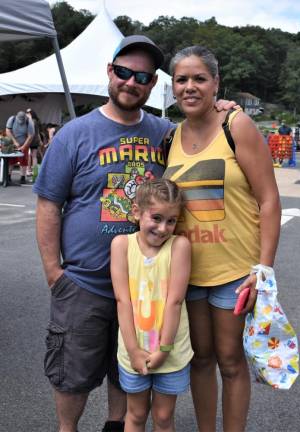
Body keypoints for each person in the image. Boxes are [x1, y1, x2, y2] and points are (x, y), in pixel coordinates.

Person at [33, 34, 236, 432]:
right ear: (110, 72)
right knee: (73, 372)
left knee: (128, 371)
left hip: (149, 284)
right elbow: (47, 204)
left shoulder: (166, 133)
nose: (132, 82)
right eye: (124, 72)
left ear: (152, 84)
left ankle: (115, 425)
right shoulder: (76, 134)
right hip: (84, 282)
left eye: (142, 77)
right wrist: (54, 274)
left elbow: (205, 127)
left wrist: (222, 107)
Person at [164, 46, 281, 432]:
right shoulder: (170, 137)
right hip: (189, 272)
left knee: (230, 361)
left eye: (200, 78)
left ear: (216, 83)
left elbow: (268, 200)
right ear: (173, 87)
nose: (190, 87)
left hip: (235, 272)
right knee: (200, 359)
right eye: (182, 79)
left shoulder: (237, 125)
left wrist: (263, 268)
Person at [111, 178, 193, 432]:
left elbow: (175, 301)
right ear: (136, 212)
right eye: (156, 218)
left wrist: (165, 349)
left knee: (164, 416)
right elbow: (122, 301)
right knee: (135, 415)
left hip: (172, 351)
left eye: (171, 221)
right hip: (133, 350)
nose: (163, 228)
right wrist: (134, 350)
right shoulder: (121, 245)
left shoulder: (179, 246)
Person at [6, 110, 34, 184]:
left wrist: (24, 146)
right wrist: (15, 142)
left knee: (23, 161)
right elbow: (8, 131)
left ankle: (22, 177)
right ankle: (8, 176)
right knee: (11, 160)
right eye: (20, 120)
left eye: (22, 120)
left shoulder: (29, 122)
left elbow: (30, 136)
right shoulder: (12, 119)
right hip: (12, 144)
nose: (21, 121)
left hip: (24, 143)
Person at [26, 108, 43, 179]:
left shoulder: (32, 121)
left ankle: (29, 170)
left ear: (31, 114)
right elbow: (38, 132)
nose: (26, 114)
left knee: (31, 156)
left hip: (31, 141)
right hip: (35, 141)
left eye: (28, 113)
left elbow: (33, 130)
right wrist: (40, 141)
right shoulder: (35, 121)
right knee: (33, 156)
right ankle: (32, 171)